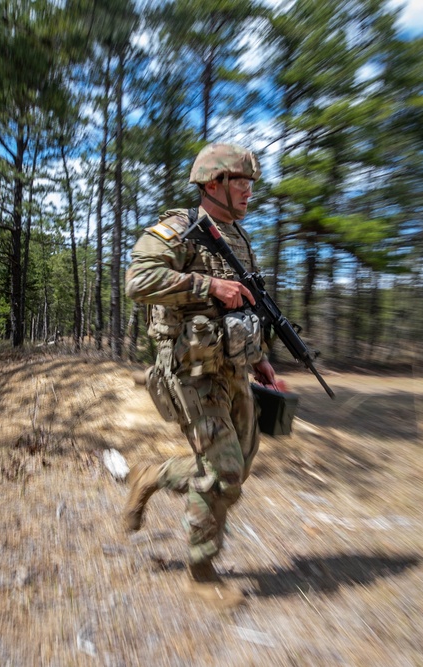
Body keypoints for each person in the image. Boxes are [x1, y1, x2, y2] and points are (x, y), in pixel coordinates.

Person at [122, 142, 280, 608]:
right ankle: (201, 574)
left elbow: (246, 305)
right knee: (224, 471)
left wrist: (260, 357)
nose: (250, 193)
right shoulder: (177, 231)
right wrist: (206, 283)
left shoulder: (240, 238)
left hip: (232, 366)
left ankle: (150, 476)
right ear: (214, 184)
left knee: (239, 464)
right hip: (191, 370)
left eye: (251, 184)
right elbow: (138, 281)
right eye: (243, 184)